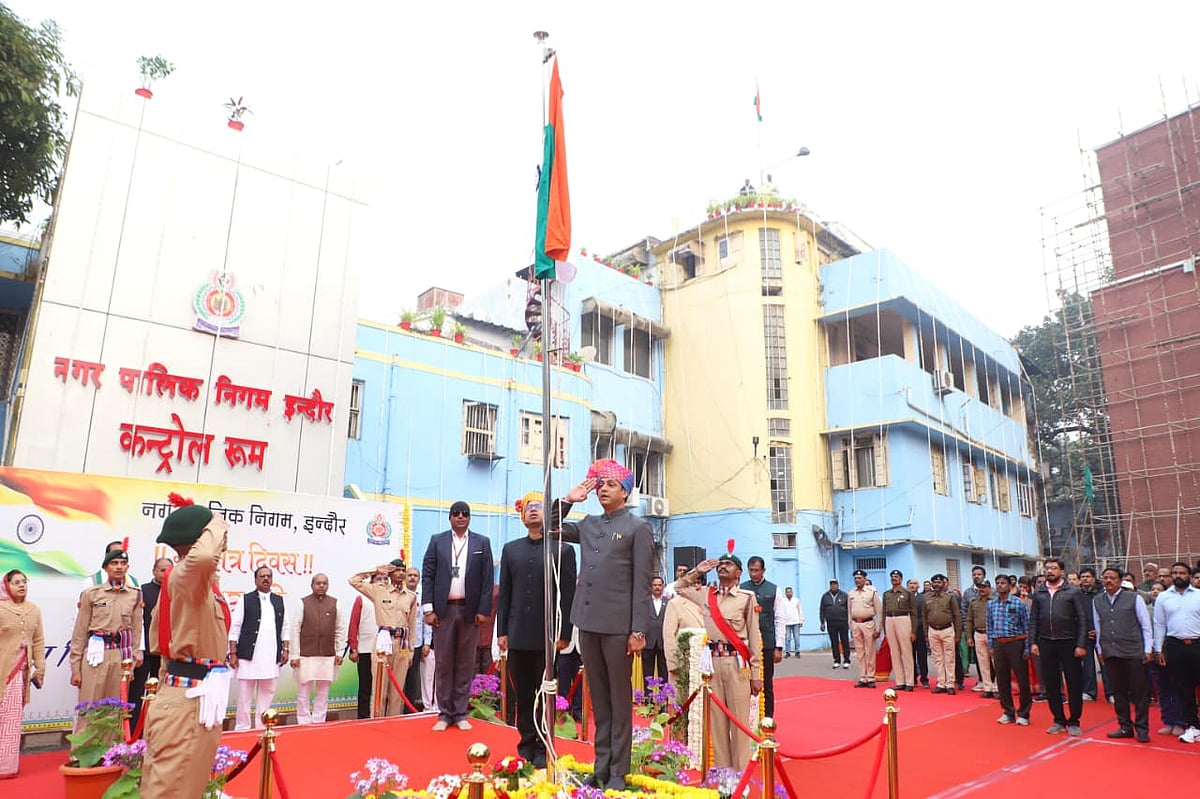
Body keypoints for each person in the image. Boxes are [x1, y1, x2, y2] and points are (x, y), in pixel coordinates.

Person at [552, 459, 654, 791]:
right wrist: (569, 499)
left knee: (619, 700)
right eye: (600, 485)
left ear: (624, 492)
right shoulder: (589, 523)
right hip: (588, 621)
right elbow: (550, 527)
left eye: (610, 485)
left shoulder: (638, 528)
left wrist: (638, 630)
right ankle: (600, 765)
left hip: (618, 627)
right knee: (598, 697)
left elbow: (642, 582)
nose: (603, 490)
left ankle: (618, 772)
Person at [141, 496, 233, 799]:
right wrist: (216, 522)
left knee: (182, 789)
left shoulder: (198, 586)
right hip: (187, 703)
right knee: (174, 791)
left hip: (190, 694)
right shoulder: (184, 578)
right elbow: (204, 557)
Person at [496, 491, 577, 768]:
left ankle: (544, 745)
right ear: (522, 516)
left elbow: (568, 594)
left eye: (538, 507)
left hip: (548, 636)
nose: (533, 511)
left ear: (547, 515)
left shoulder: (562, 549)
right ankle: (525, 744)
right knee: (523, 694)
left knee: (546, 693)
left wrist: (565, 632)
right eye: (528, 507)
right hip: (517, 634)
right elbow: (504, 594)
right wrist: (502, 632)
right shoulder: (510, 549)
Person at [673, 554, 762, 771]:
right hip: (712, 663)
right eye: (720, 564)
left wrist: (756, 674)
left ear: (738, 572)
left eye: (729, 564)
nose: (723, 567)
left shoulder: (747, 598)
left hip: (737, 665)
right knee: (718, 724)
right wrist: (699, 571)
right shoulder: (706, 594)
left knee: (738, 723)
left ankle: (740, 779)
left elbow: (753, 635)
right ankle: (724, 777)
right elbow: (679, 587)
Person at [421, 501, 494, 731]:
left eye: (465, 514)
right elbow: (428, 576)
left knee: (465, 663)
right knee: (443, 663)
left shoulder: (482, 542)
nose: (460, 517)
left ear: (470, 518)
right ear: (450, 518)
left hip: (469, 611)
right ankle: (444, 714)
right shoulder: (437, 540)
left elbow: (487, 579)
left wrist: (483, 610)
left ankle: (460, 713)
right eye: (456, 514)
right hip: (443, 611)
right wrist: (428, 609)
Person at [71, 548, 142, 732]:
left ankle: (110, 754)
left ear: (127, 567)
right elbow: (79, 633)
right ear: (106, 568)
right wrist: (75, 668)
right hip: (96, 654)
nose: (119, 567)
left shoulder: (134, 594)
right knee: (90, 705)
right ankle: (83, 754)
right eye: (114, 563)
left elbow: (136, 630)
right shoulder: (92, 594)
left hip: (120, 655)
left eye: (123, 563)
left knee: (115, 707)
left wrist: (133, 660)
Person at [349, 559, 418, 717]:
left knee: (397, 691)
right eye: (397, 570)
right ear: (390, 573)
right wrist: (375, 571)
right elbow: (354, 580)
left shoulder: (411, 597)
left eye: (403, 570)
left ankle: (393, 722)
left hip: (401, 644)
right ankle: (377, 722)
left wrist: (411, 652)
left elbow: (412, 626)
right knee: (380, 688)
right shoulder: (379, 590)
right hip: (383, 643)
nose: (400, 573)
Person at [1091, 567, 1152, 742]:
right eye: (1105, 578)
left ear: (1120, 581)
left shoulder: (1134, 598)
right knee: (1119, 693)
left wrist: (1148, 649)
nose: (1108, 581)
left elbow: (1145, 625)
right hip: (1111, 652)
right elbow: (1098, 626)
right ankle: (1125, 726)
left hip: (1134, 652)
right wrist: (1100, 650)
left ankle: (1142, 729)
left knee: (1139, 693)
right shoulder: (1097, 600)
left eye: (1112, 578)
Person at [1030, 557, 1089, 736]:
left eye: (1054, 568)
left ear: (1062, 571)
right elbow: (1033, 619)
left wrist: (1081, 644)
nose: (1050, 571)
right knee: (1052, 683)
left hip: (1069, 642)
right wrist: (1033, 642)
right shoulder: (1039, 593)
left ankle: (1074, 721)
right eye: (1047, 568)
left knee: (1073, 683)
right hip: (1046, 642)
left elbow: (1083, 620)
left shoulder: (1072, 591)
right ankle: (1058, 719)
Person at [228, 566, 287, 731]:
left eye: (269, 576)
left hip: (270, 656)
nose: (266, 579)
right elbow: (235, 627)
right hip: (248, 656)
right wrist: (232, 653)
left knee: (267, 693)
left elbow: (285, 627)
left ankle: (262, 727)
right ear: (255, 580)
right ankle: (242, 727)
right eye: (262, 576)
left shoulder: (278, 600)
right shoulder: (245, 599)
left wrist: (286, 649)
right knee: (245, 696)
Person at [0, 570, 45, 779]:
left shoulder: (33, 610)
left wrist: (40, 668)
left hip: (19, 674)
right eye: (16, 582)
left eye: (24, 582)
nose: (21, 585)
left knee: (12, 718)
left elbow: (38, 641)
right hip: (2, 670)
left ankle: (6, 766)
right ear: (6, 585)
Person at [288, 573, 346, 725]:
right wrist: (295, 655)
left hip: (327, 655)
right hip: (306, 655)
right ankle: (303, 721)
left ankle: (319, 721)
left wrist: (340, 652)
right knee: (303, 692)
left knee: (323, 692)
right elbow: (295, 629)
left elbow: (340, 629)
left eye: (324, 583)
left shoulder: (335, 603)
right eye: (318, 583)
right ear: (312, 585)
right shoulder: (303, 603)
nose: (321, 586)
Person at [1153, 562, 1200, 744]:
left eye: (1182, 572)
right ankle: (1193, 727)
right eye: (1175, 573)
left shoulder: (1198, 595)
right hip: (1175, 646)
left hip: (1198, 643)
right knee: (1184, 687)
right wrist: (1158, 649)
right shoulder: (1163, 598)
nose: (1178, 575)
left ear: (1189, 575)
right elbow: (1159, 624)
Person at [129, 557, 171, 733]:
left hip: (166, 652)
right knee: (137, 691)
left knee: (162, 694)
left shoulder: (177, 590)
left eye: (169, 570)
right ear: (154, 571)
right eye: (162, 570)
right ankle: (132, 731)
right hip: (144, 651)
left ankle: (157, 731)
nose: (165, 573)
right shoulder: (143, 591)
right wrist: (138, 648)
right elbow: (136, 622)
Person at [741, 556, 786, 715]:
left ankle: (767, 721)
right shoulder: (741, 589)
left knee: (766, 683)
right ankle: (747, 721)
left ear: (763, 571)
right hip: (745, 644)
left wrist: (779, 646)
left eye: (756, 570)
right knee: (743, 683)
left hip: (766, 643)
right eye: (751, 570)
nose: (753, 574)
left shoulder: (774, 590)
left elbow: (780, 618)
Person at [988, 575, 1032, 726]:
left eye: (1003, 583)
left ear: (1009, 585)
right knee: (1002, 679)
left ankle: (1024, 713)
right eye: (998, 583)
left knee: (1022, 679)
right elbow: (990, 625)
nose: (1000, 586)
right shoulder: (992, 604)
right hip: (999, 644)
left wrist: (1027, 647)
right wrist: (991, 645)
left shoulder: (1019, 603)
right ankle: (1008, 711)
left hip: (1016, 643)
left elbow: (1027, 626)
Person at [347, 573, 381, 719]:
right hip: (365, 649)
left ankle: (379, 715)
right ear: (371, 581)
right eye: (378, 579)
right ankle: (363, 717)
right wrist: (353, 648)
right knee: (365, 686)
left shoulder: (389, 598)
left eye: (385, 579)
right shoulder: (362, 598)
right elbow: (353, 624)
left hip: (383, 650)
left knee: (380, 686)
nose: (382, 582)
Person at [663, 581, 706, 695]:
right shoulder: (675, 604)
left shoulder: (708, 603)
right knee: (682, 701)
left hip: (705, 664)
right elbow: (669, 635)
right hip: (683, 662)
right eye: (693, 584)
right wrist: (673, 663)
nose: (696, 587)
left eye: (699, 584)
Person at [924, 573, 961, 694]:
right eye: (934, 582)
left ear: (944, 583)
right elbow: (924, 616)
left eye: (939, 582)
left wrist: (958, 633)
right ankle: (941, 683)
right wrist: (926, 633)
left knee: (949, 658)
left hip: (947, 629)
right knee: (937, 658)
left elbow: (957, 615)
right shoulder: (927, 597)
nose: (936, 585)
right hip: (933, 630)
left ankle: (950, 684)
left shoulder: (950, 597)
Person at [881, 570, 917, 692]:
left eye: (896, 577)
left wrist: (913, 631)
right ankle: (900, 681)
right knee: (894, 652)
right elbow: (883, 611)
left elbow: (913, 612)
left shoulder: (908, 593)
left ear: (901, 579)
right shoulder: (887, 594)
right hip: (890, 619)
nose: (894, 579)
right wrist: (884, 628)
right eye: (892, 577)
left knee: (906, 651)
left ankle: (909, 682)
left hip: (903, 619)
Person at [847, 570, 882, 688]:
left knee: (870, 651)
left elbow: (878, 611)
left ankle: (871, 677)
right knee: (860, 652)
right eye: (855, 578)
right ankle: (863, 677)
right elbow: (849, 610)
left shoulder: (872, 592)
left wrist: (878, 628)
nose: (857, 580)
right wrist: (850, 625)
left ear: (865, 579)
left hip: (868, 623)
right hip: (856, 624)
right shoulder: (851, 593)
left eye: (859, 578)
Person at [403, 567, 430, 713]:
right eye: (410, 575)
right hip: (399, 643)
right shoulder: (399, 595)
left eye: (415, 576)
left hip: (417, 643)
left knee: (413, 679)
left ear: (418, 579)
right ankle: (394, 710)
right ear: (405, 578)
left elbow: (426, 621)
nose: (412, 578)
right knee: (399, 678)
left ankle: (409, 711)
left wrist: (427, 642)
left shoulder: (423, 596)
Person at [966, 580, 997, 698]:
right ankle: (987, 687)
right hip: (978, 633)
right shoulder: (974, 602)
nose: (981, 589)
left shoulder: (995, 601)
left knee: (996, 662)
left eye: (984, 587)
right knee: (983, 663)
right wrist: (969, 636)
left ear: (989, 588)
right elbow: (969, 620)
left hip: (992, 634)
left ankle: (998, 687)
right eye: (979, 587)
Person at [1077, 567, 1102, 702]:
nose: (1085, 579)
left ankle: (1111, 692)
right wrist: (1085, 631)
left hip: (1101, 633)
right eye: (1083, 577)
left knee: (1105, 663)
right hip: (1084, 633)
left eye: (1087, 576)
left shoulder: (1101, 593)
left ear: (1093, 578)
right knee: (1087, 664)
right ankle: (1089, 691)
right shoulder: (1077, 594)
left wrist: (1098, 629)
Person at [819, 579, 851, 669]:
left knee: (845, 641)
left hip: (843, 622)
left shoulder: (844, 595)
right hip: (831, 622)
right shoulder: (825, 596)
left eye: (835, 584)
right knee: (834, 642)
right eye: (832, 584)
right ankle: (837, 660)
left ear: (838, 585)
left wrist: (850, 621)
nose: (833, 586)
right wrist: (822, 622)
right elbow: (822, 610)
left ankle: (847, 660)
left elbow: (849, 609)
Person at [643, 577, 668, 687]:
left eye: (659, 585)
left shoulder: (668, 602)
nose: (657, 587)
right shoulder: (645, 602)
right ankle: (648, 700)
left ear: (663, 586)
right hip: (648, 642)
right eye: (655, 585)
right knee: (647, 673)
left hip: (663, 642)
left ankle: (663, 700)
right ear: (651, 586)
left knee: (664, 673)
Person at [906, 579, 929, 688]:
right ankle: (912, 678)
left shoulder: (922, 598)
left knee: (922, 656)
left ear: (918, 586)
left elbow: (924, 615)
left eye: (915, 584)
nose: (912, 585)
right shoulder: (904, 598)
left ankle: (924, 679)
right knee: (909, 656)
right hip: (906, 630)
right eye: (910, 584)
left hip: (919, 631)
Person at [780, 587, 804, 657]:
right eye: (787, 592)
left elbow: (800, 610)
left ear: (792, 593)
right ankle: (787, 652)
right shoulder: (783, 601)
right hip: (786, 622)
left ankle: (797, 651)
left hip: (796, 621)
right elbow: (781, 612)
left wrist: (801, 620)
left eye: (790, 592)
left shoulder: (796, 600)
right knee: (787, 638)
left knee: (797, 637)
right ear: (785, 593)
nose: (789, 593)